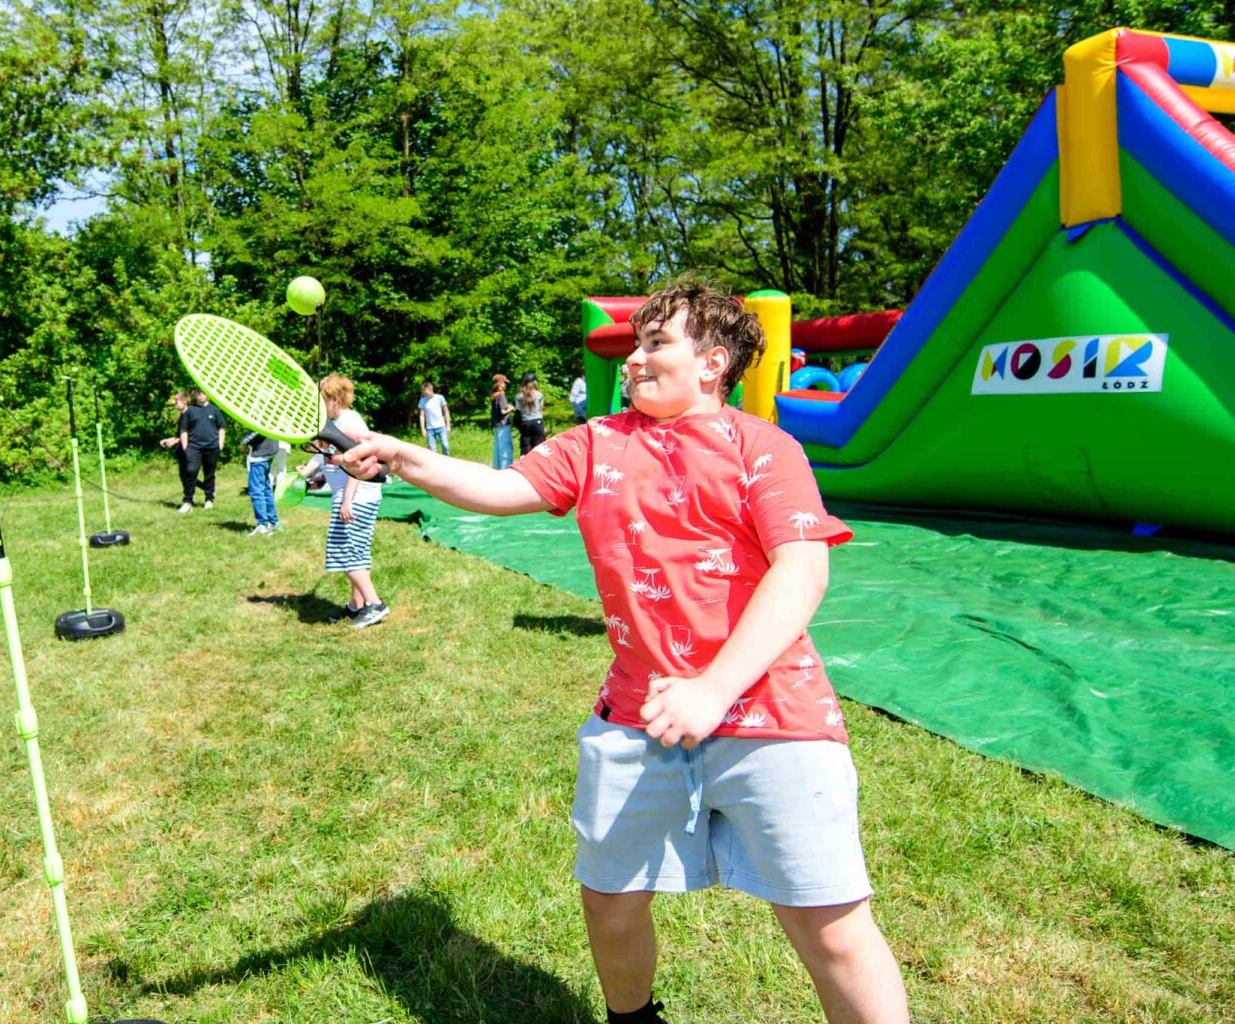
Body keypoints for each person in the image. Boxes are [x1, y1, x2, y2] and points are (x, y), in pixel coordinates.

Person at [336, 282, 909, 1024]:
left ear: (713, 362)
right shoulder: (596, 441)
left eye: (655, 343)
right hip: (636, 714)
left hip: (776, 712)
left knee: (829, 927)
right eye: (635, 344)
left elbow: (804, 570)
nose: (633, 359)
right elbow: (501, 484)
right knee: (609, 900)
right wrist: (403, 454)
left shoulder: (765, 446)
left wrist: (711, 688)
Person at [310, 374, 388, 629]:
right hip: (350, 496)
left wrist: (347, 500)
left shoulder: (350, 421)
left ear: (334, 398)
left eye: (322, 400)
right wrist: (320, 478)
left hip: (356, 498)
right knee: (356, 551)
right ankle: (356, 606)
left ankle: (374, 603)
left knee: (343, 552)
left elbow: (359, 464)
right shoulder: (339, 421)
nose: (321, 406)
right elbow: (333, 460)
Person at [177, 390, 225, 513]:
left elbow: (221, 427)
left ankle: (209, 499)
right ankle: (187, 502)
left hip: (212, 448)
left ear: (207, 394)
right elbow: (183, 430)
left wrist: (220, 444)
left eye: (202, 393)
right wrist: (185, 447)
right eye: (198, 393)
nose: (200, 395)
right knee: (190, 472)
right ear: (194, 395)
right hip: (194, 448)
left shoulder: (214, 410)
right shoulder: (190, 410)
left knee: (209, 474)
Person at [243, 429, 281, 535]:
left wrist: (244, 441)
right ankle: (273, 521)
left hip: (260, 456)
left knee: (256, 491)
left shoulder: (262, 416)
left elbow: (256, 431)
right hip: (269, 453)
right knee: (266, 489)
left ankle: (262, 525)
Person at [515, 372, 545, 457]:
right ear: (535, 382)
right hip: (538, 422)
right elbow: (540, 410)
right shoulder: (539, 395)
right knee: (539, 448)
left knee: (525, 448)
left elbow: (518, 410)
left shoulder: (519, 396)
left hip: (526, 423)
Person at [417, 381, 451, 455]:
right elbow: (422, 416)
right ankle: (435, 465)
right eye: (423, 393)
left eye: (426, 393)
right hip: (430, 429)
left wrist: (448, 425)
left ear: (431, 389)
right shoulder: (422, 400)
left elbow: (446, 411)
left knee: (445, 446)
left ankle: (447, 462)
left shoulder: (440, 398)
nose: (424, 394)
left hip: (441, 426)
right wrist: (423, 429)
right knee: (432, 450)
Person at [489, 378, 514, 470]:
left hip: (496, 425)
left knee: (497, 449)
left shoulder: (494, 396)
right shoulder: (501, 395)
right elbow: (503, 411)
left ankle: (497, 467)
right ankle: (505, 469)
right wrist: (511, 407)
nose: (505, 385)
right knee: (505, 447)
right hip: (503, 425)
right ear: (499, 386)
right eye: (503, 383)